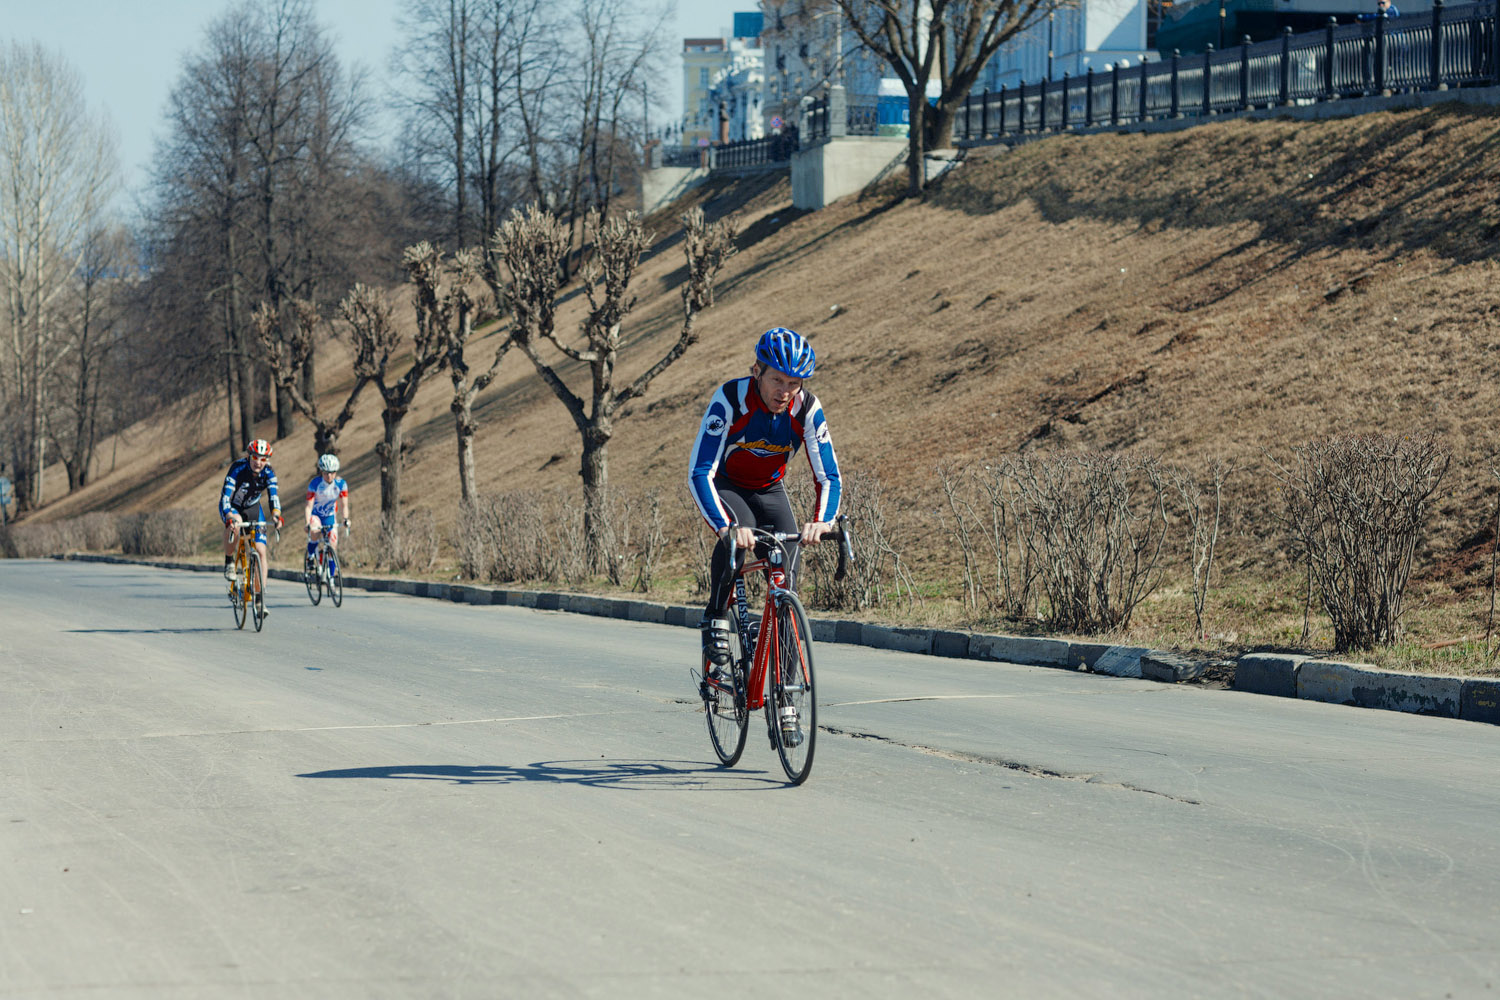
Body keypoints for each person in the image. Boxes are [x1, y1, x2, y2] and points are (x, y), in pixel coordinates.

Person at [688, 327, 842, 669]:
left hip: (770, 489)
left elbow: (828, 475)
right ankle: (716, 614)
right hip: (728, 484)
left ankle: (786, 693)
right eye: (777, 380)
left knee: (786, 579)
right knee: (739, 533)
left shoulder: (806, 408)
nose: (785, 391)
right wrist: (725, 527)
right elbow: (700, 471)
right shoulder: (731, 399)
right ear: (757, 371)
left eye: (794, 383)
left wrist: (822, 521)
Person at [219, 439, 283, 608]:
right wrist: (229, 516)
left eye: (263, 459)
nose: (258, 462)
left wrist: (276, 516)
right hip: (233, 506)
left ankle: (259, 598)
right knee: (236, 524)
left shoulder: (269, 473)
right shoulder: (238, 468)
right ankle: (229, 561)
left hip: (253, 507)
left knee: (261, 551)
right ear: (249, 456)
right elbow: (226, 497)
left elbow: (274, 497)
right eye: (255, 457)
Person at [304, 453, 351, 576]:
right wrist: (307, 522)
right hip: (316, 514)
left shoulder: (341, 484)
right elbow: (308, 506)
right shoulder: (315, 484)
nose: (329, 476)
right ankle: (310, 556)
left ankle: (331, 576)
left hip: (330, 516)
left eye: (332, 472)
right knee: (315, 531)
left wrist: (346, 519)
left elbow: (344, 505)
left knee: (333, 544)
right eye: (326, 473)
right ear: (321, 472)